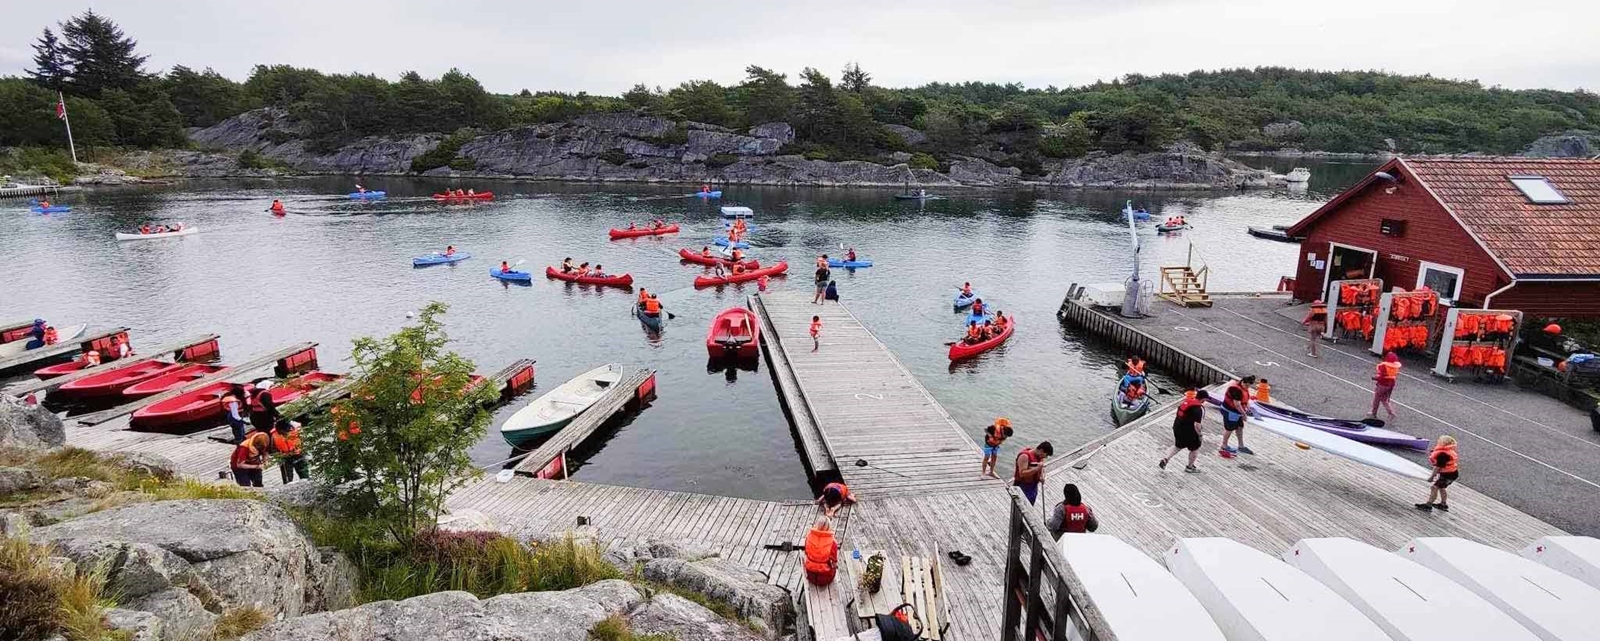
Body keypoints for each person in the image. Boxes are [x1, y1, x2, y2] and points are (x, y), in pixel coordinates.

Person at [1159, 389, 1209, 473]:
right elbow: (1197, 425)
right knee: (1195, 448)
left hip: (1177, 427)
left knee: (1178, 446)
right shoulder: (1198, 409)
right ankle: (1190, 467)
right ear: (1203, 399)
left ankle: (1165, 459)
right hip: (1188, 431)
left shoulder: (1187, 402)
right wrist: (1200, 435)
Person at [1416, 436, 1459, 512]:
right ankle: (1443, 504)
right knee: (1442, 487)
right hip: (1452, 473)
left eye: (1440, 440)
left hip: (1448, 475)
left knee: (1434, 487)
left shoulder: (1443, 454)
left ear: (1444, 443)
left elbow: (1438, 467)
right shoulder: (1448, 451)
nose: (1438, 441)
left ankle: (1428, 505)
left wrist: (1432, 477)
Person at [1219, 376, 1257, 457]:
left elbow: (1246, 400)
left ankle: (1241, 446)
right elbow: (1237, 404)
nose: (1247, 387)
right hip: (1230, 411)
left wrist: (1248, 408)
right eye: (1246, 385)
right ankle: (1224, 445)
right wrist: (1244, 414)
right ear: (1242, 382)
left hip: (1238, 412)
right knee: (1229, 428)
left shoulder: (1244, 388)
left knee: (1240, 427)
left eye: (1249, 386)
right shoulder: (1236, 390)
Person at [803, 516, 839, 586]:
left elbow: (806, 552)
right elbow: (834, 561)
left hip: (810, 575)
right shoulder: (833, 542)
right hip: (825, 577)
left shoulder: (809, 536)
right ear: (829, 526)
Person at [273, 419, 309, 484]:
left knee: (304, 475)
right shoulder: (274, 435)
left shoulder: (297, 429)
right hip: (285, 457)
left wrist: (301, 449)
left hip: (299, 454)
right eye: (282, 432)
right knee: (287, 480)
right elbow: (273, 449)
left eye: (285, 432)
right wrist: (280, 455)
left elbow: (305, 441)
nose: (284, 434)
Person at [1370, 352, 1401, 420]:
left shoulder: (1384, 366)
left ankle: (1373, 413)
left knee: (1377, 399)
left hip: (1382, 384)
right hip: (1390, 385)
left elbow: (1381, 377)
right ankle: (1391, 413)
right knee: (1384, 399)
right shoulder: (1395, 367)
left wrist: (1374, 378)